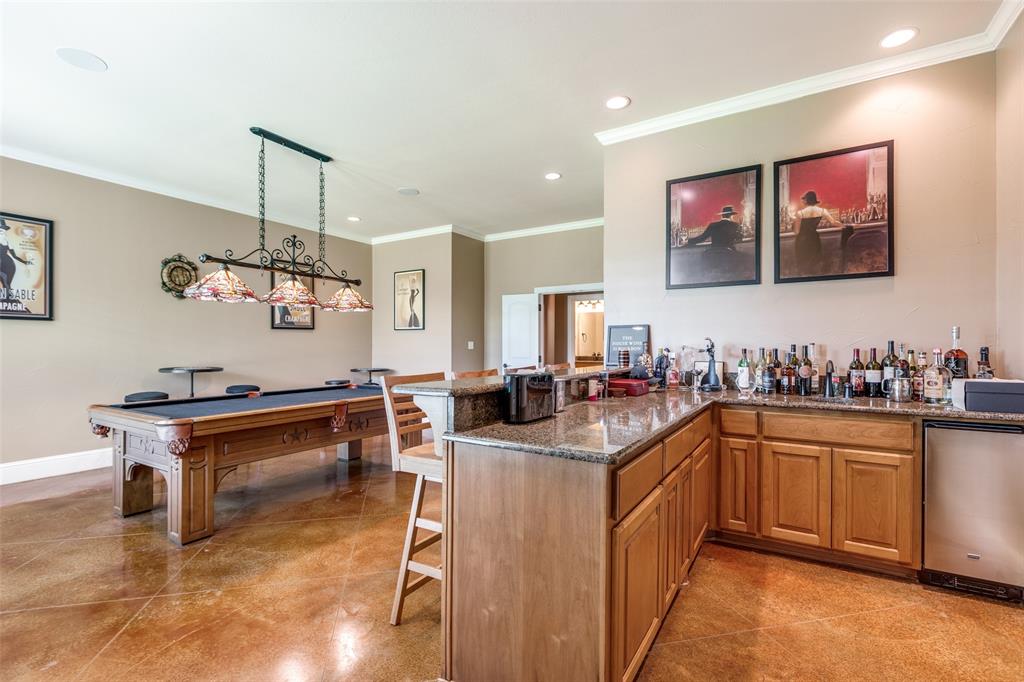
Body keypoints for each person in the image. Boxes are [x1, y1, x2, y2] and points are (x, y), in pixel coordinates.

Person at [793, 191, 842, 276]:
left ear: (807, 201)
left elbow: (796, 231)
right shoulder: (822, 211)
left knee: (803, 266)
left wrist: (794, 222)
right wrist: (845, 226)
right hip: (814, 239)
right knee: (814, 264)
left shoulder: (800, 213)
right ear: (815, 201)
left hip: (802, 241)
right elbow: (834, 222)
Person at [0, 218, 33, 292]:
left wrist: (25, 262)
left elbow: (14, 256)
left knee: (7, 285)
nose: (2, 234)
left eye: (2, 231)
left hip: (8, 264)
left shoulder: (7, 241)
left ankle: (9, 300)